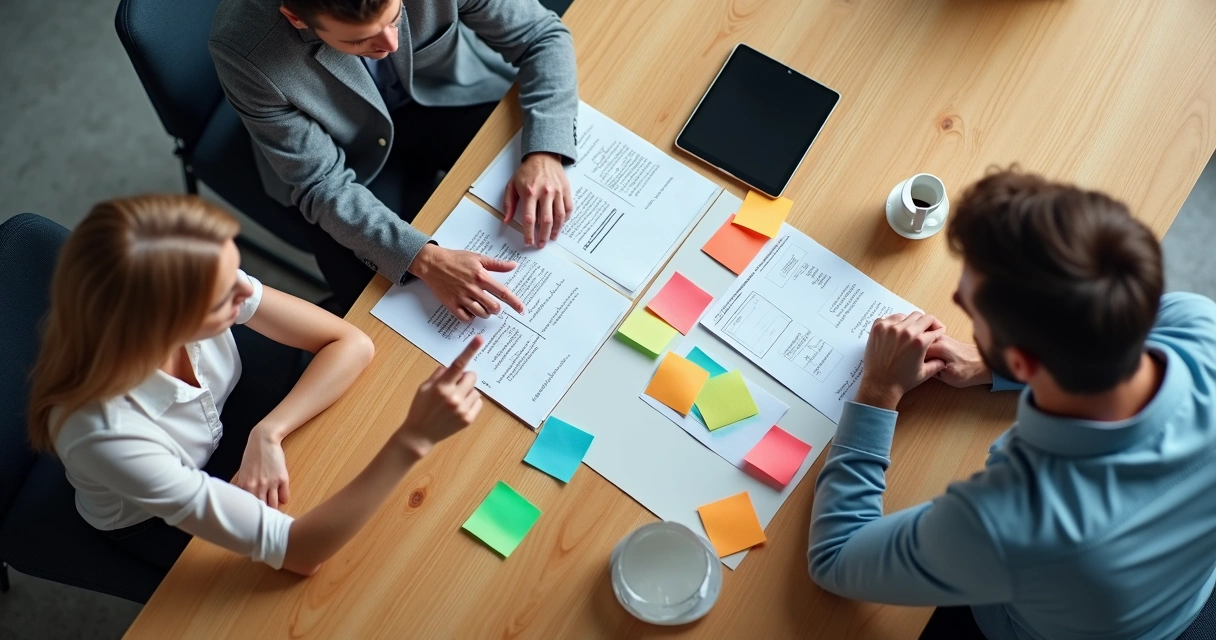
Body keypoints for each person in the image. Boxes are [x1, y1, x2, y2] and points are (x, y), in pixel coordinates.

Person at [807, 169, 1216, 639]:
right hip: (1189, 584)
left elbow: (835, 558)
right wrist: (989, 365)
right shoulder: (1200, 324)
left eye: (970, 304)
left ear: (1024, 361)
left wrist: (878, 392)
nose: (957, 295)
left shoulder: (1013, 521)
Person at [27, 195, 485, 575]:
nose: (246, 293)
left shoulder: (204, 285)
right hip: (148, 516)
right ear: (160, 324)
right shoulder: (105, 435)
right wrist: (413, 438)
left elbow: (351, 343)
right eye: (224, 297)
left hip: (228, 415)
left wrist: (269, 430)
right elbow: (301, 553)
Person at [209, 0, 578, 316]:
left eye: (395, 14)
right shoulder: (243, 50)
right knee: (380, 306)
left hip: (447, 96)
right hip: (341, 157)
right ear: (296, 18)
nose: (390, 42)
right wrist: (425, 259)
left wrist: (544, 153)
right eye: (360, 38)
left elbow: (541, 37)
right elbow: (320, 184)